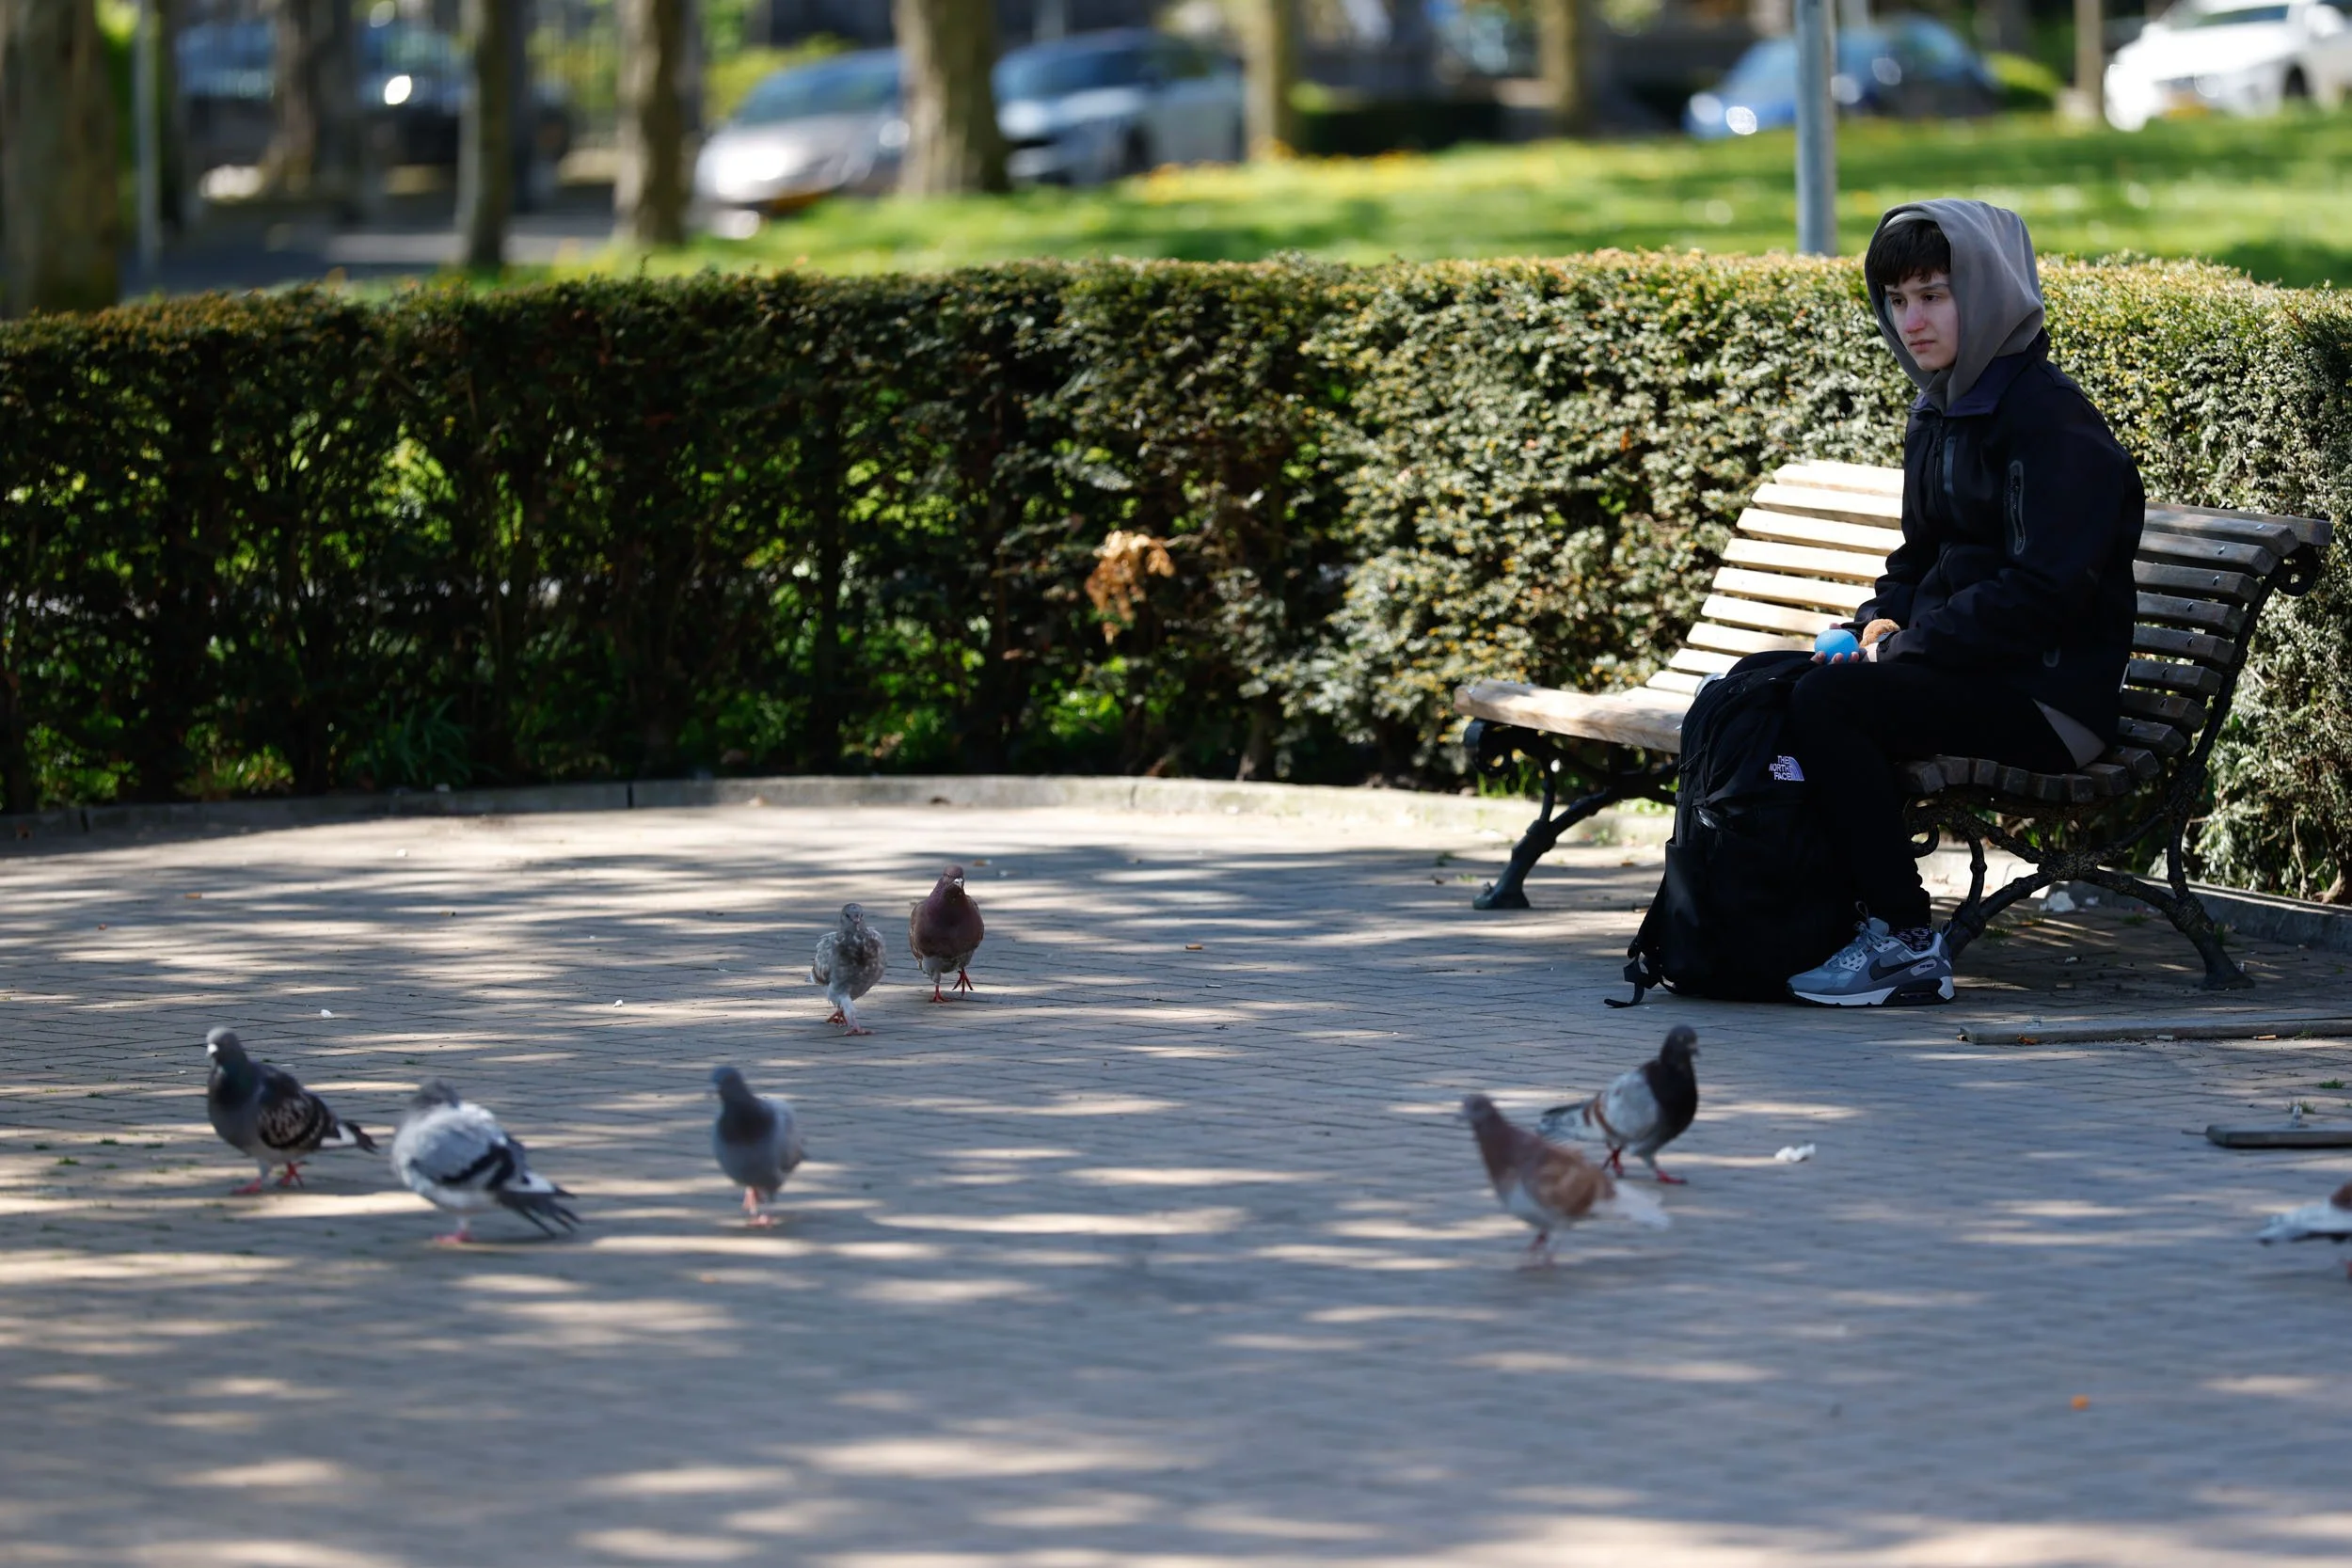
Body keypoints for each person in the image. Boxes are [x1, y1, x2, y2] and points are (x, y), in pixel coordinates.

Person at [1782, 199, 2144, 1006]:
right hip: (1970, 672)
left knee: (1833, 705)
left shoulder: (2053, 425)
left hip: (2048, 699)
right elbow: (1918, 561)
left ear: (1984, 292)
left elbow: (2042, 594)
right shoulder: (1940, 410)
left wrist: (1902, 651)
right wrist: (1870, 623)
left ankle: (1908, 940)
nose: (1912, 320)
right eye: (1897, 300)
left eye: (1934, 294)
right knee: (1781, 684)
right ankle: (1816, 917)